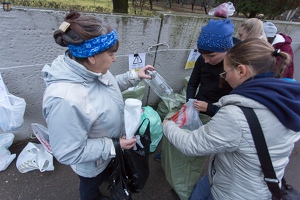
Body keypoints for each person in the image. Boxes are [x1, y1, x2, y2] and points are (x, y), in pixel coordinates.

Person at [163, 38, 300, 199]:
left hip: (235, 192)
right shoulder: (285, 98)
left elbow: (191, 145)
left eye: (225, 72)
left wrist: (168, 125)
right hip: (244, 178)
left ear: (241, 71)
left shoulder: (236, 115)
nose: (225, 78)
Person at [41, 10, 154, 200]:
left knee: (105, 177)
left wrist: (134, 76)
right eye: (111, 54)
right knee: (89, 187)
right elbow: (68, 152)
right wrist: (114, 145)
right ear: (92, 57)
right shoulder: (65, 101)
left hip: (107, 154)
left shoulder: (91, 70)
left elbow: (105, 88)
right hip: (91, 165)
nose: (115, 59)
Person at [186, 18, 234, 123]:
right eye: (202, 55)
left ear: (226, 50)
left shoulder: (235, 69)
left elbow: (235, 107)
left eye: (211, 56)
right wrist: (189, 103)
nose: (206, 60)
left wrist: (210, 108)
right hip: (198, 105)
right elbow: (193, 83)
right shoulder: (202, 60)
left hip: (219, 115)